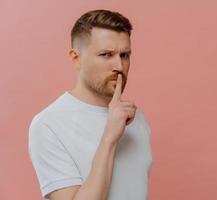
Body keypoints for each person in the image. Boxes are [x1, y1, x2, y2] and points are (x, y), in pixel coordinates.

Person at [28, 9, 153, 200]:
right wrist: (109, 139)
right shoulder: (48, 125)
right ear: (76, 58)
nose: (119, 67)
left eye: (125, 55)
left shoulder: (137, 119)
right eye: (106, 55)